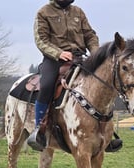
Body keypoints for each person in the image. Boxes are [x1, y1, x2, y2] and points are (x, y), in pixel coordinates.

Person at [28, 0, 122, 152]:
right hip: (54, 60)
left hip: (80, 57)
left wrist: (96, 54)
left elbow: (90, 35)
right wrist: (58, 53)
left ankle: (106, 135)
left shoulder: (78, 12)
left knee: (101, 83)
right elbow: (41, 40)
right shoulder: (44, 12)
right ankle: (40, 129)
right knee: (46, 85)